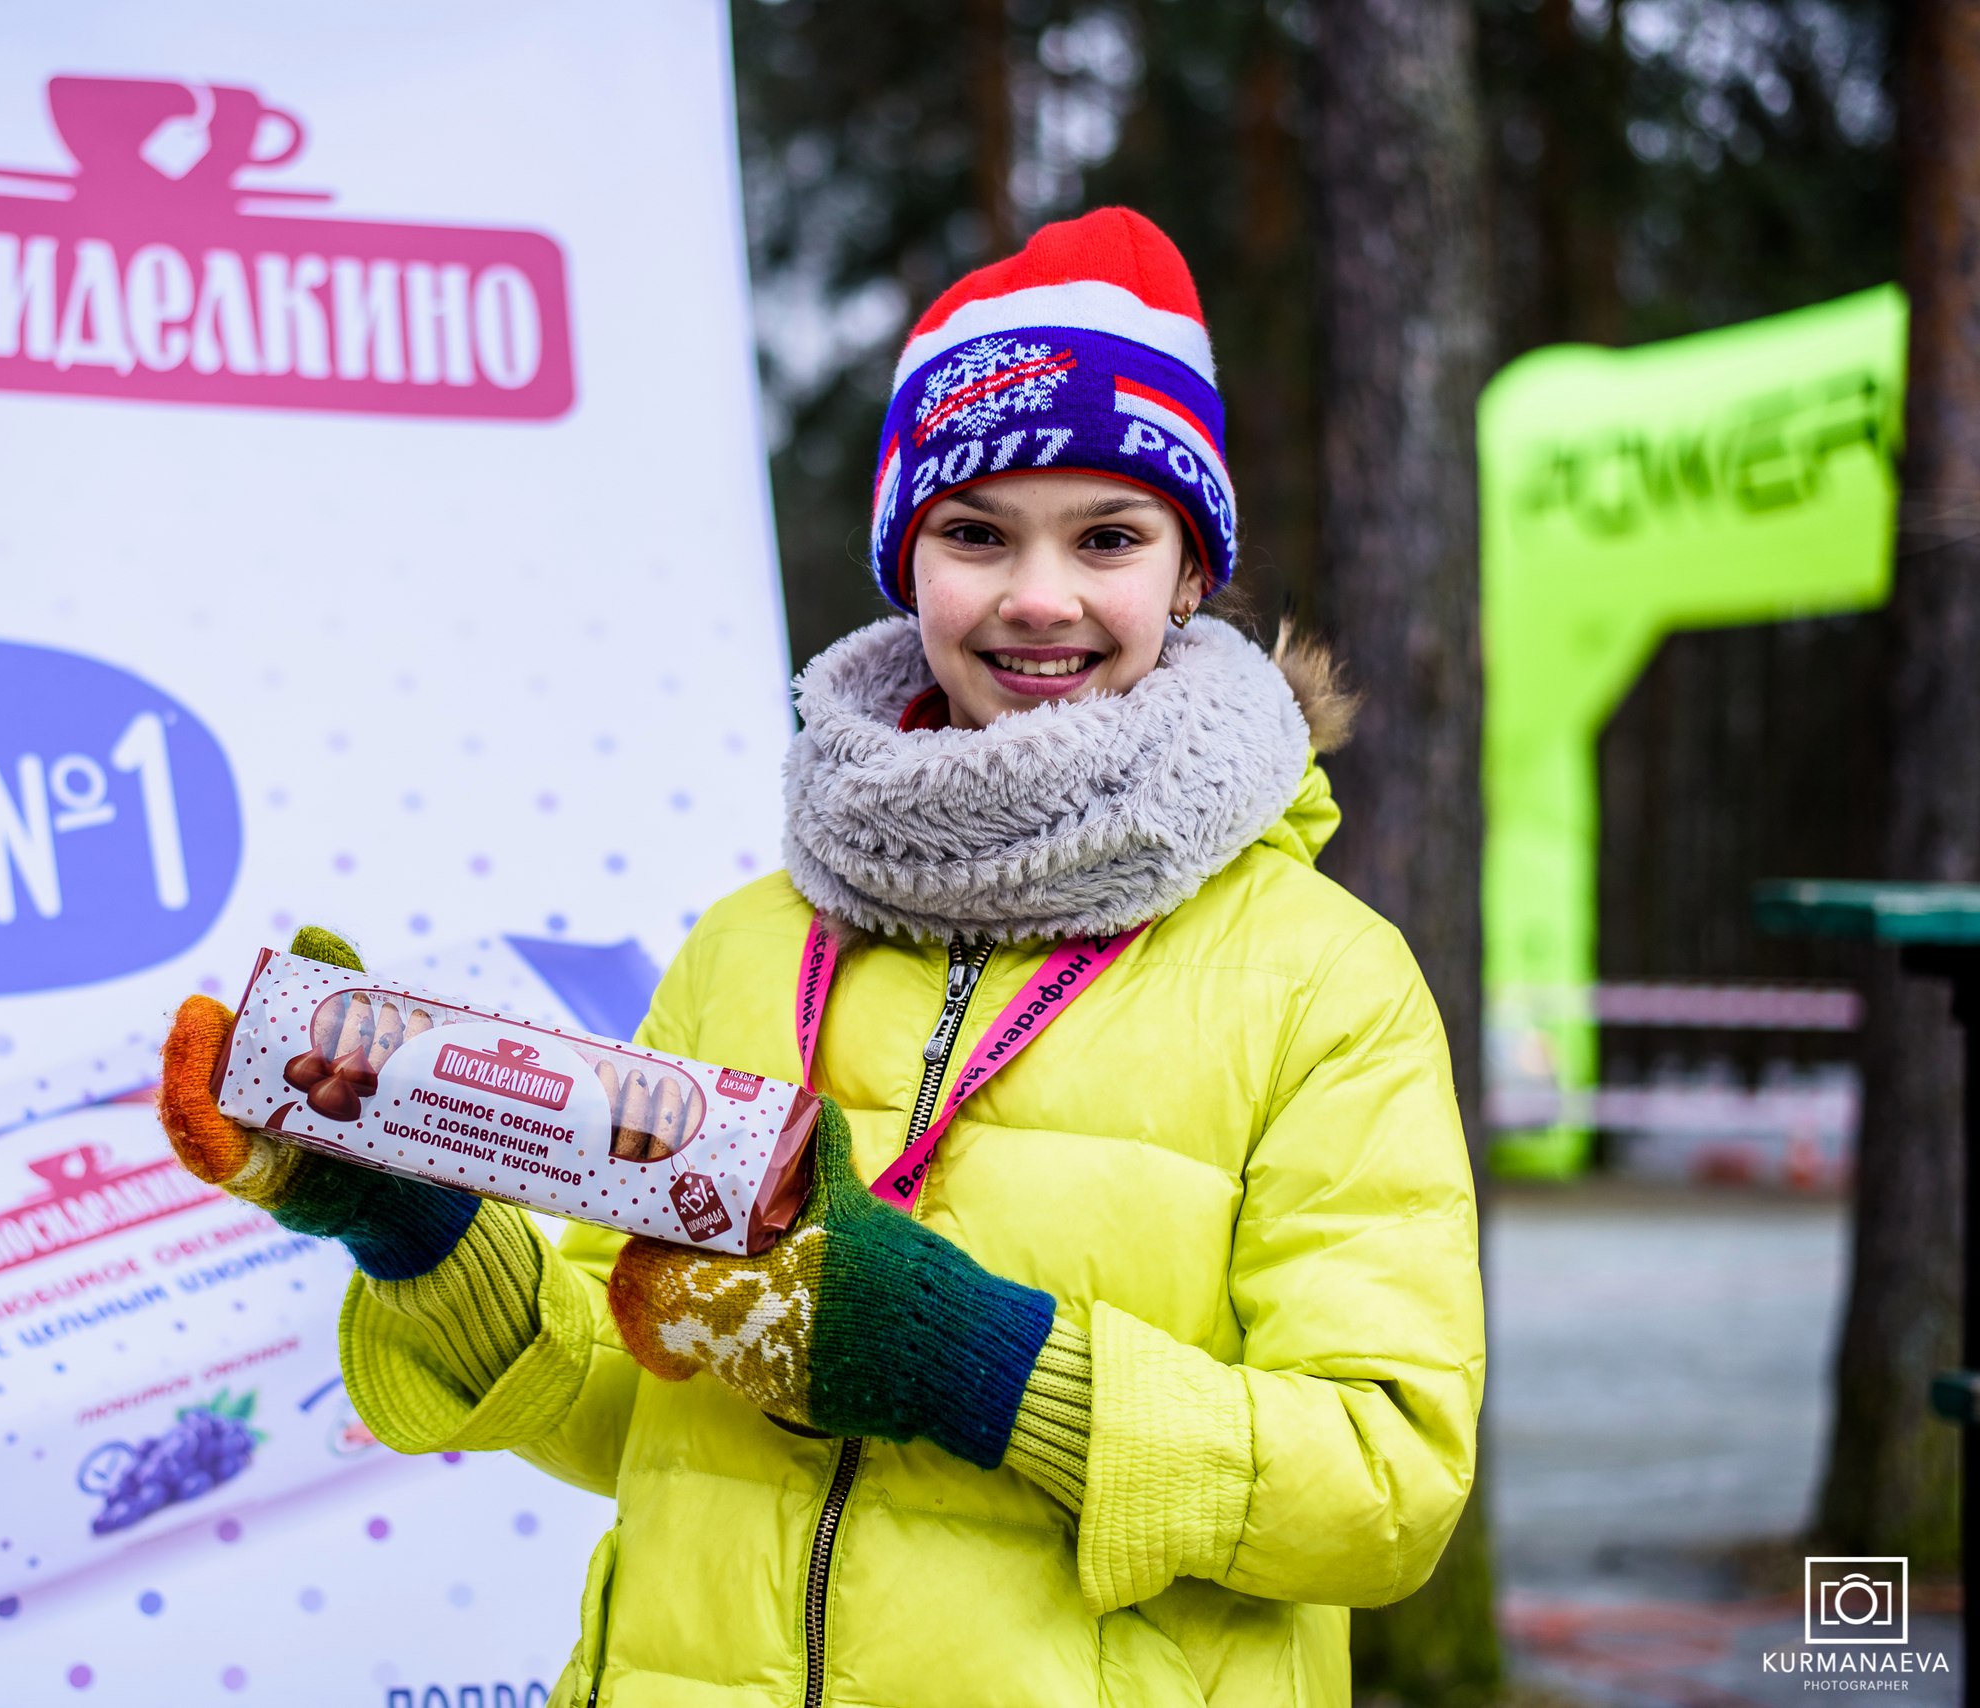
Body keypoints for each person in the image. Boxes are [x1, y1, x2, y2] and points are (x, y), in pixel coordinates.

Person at [157, 206, 1483, 1708]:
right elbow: (629, 1409)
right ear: (906, 563)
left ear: (1189, 574)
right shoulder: (747, 943)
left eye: (1107, 537)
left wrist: (985, 1369)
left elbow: (1388, 1488)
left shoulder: (1321, 978)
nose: (1038, 597)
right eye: (977, 533)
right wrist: (421, 1234)